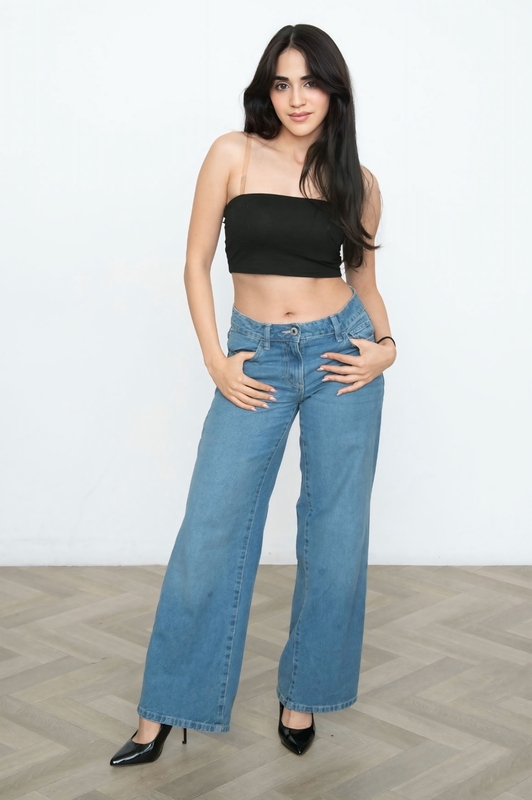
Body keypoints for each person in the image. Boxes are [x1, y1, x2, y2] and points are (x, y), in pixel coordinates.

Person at [110, 22, 396, 766]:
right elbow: (195, 262)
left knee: (335, 534)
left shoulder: (359, 182)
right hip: (255, 358)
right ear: (267, 90)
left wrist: (387, 348)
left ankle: (303, 695)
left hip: (342, 355)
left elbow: (363, 280)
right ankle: (164, 710)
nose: (297, 98)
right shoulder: (231, 154)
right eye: (282, 82)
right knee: (210, 529)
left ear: (334, 92)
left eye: (311, 82)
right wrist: (216, 359)